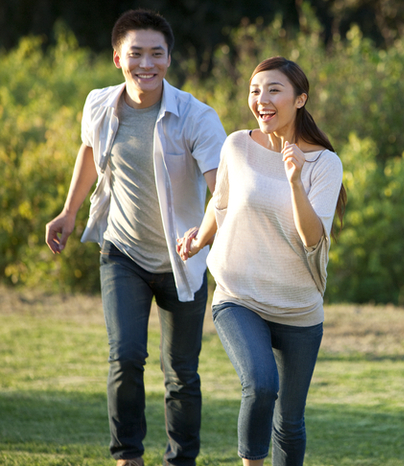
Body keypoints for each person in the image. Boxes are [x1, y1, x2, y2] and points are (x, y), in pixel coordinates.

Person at [44, 9, 226, 466]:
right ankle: (127, 456)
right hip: (122, 252)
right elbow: (89, 151)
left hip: (184, 261)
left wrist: (204, 236)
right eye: (136, 53)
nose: (146, 63)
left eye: (156, 54)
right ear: (117, 57)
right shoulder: (99, 104)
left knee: (181, 373)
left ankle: (181, 459)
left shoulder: (196, 117)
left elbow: (222, 187)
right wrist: (69, 211)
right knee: (125, 356)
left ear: (169, 58)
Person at [176, 56, 346, 466]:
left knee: (289, 422)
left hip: (299, 309)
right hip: (239, 295)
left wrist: (294, 182)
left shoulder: (325, 163)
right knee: (260, 384)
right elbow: (222, 203)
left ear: (300, 99)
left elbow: (312, 238)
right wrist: (200, 238)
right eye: (255, 90)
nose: (261, 99)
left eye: (274, 90)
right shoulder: (236, 144)